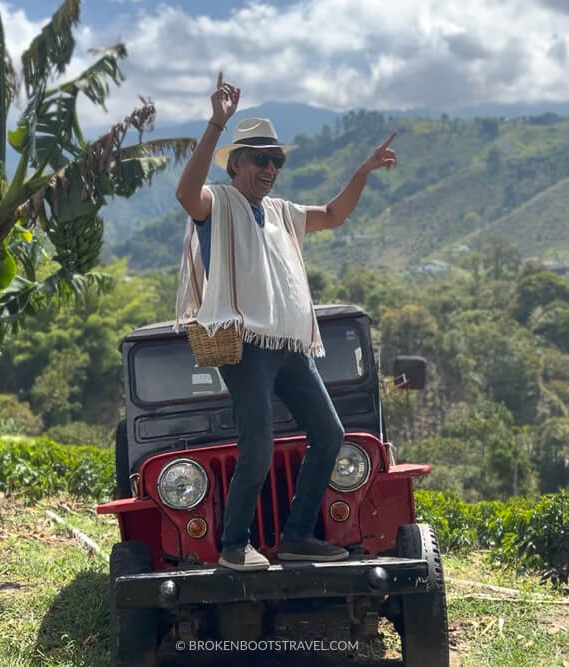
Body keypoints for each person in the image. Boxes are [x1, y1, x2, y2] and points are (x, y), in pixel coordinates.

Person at [175, 72, 397, 572]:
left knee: (329, 432)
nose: (271, 168)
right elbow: (186, 194)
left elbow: (335, 214)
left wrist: (362, 171)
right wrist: (216, 122)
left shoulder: (280, 211)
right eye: (260, 158)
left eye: (276, 160)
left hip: (290, 343)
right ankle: (235, 545)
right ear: (236, 165)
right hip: (247, 344)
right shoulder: (220, 201)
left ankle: (297, 536)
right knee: (257, 446)